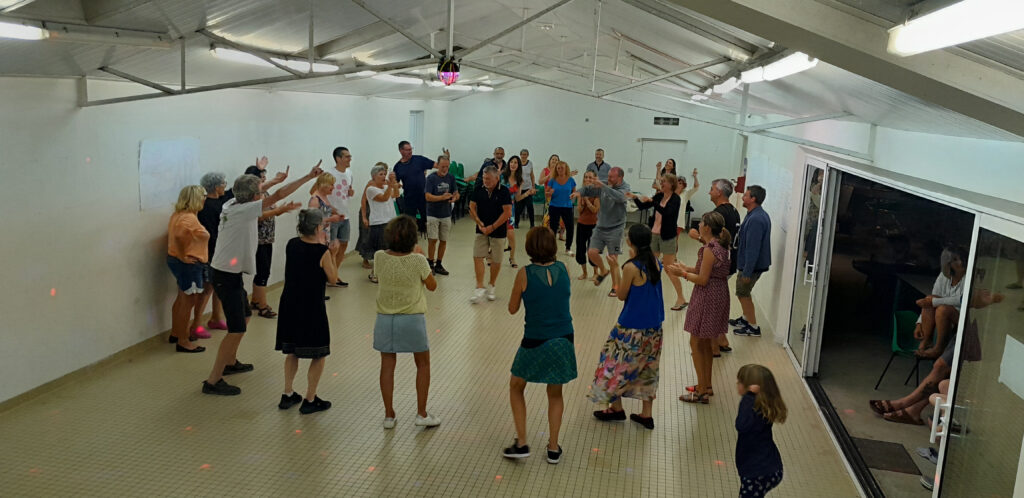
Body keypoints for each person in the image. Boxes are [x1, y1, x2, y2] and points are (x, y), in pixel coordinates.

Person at [201, 161, 320, 396]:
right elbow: (278, 194)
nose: (262, 193)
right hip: (226, 275)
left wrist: (273, 184)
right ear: (254, 196)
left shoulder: (231, 202)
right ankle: (213, 380)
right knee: (236, 329)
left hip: (228, 273)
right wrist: (308, 176)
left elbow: (264, 190)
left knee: (245, 316)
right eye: (259, 192)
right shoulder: (244, 209)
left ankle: (230, 361)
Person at [503, 227, 577, 463]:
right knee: (555, 392)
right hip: (564, 337)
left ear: (529, 248)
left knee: (516, 385)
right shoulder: (564, 268)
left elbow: (512, 309)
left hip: (535, 339)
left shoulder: (524, 274)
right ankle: (553, 448)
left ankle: (522, 443)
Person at [590, 224, 664, 430]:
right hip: (654, 326)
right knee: (648, 367)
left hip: (631, 327)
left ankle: (616, 408)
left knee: (612, 363)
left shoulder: (631, 267)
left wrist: (614, 268)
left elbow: (621, 295)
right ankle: (646, 414)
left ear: (630, 241)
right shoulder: (655, 262)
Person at [373, 215, 440, 429]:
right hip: (412, 318)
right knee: (423, 364)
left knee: (387, 365)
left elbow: (379, 275)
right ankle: (421, 413)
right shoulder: (418, 260)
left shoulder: (379, 256)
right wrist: (421, 257)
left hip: (385, 319)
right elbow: (432, 286)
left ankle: (389, 415)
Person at [274, 209, 337, 414]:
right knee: (319, 353)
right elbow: (333, 279)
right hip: (311, 307)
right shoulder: (322, 252)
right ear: (318, 228)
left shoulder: (292, 244)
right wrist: (333, 254)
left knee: (292, 350)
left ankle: (287, 392)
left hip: (290, 304)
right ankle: (310, 398)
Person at [669, 212, 732, 404]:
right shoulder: (720, 246)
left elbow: (703, 279)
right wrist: (686, 268)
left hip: (707, 297)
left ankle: (702, 391)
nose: (698, 225)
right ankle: (706, 385)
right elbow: (706, 270)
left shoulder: (708, 249)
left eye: (701, 222)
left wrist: (682, 274)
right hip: (718, 293)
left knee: (696, 343)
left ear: (707, 228)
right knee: (705, 343)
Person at [693, 178, 739, 355]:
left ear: (719, 192)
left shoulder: (719, 214)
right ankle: (721, 340)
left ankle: (712, 347)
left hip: (720, 267)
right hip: (730, 262)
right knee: (717, 305)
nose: (709, 192)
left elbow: (713, 243)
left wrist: (697, 237)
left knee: (710, 306)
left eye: (711, 189)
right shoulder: (734, 211)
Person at [629, 173, 686, 310]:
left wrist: (653, 202)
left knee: (669, 268)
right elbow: (643, 206)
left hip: (668, 236)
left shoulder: (675, 199)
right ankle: (648, 294)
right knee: (651, 265)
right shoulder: (660, 196)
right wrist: (635, 198)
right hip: (654, 234)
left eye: (664, 181)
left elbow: (667, 212)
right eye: (662, 181)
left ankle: (681, 298)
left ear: (671, 184)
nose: (662, 183)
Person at [573, 166, 630, 297]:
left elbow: (620, 197)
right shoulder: (604, 183)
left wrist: (603, 187)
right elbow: (588, 189)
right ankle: (603, 270)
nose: (608, 179)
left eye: (611, 177)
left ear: (620, 178)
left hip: (616, 228)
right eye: (608, 176)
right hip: (601, 226)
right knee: (591, 252)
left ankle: (615, 287)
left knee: (612, 258)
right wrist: (579, 193)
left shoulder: (625, 187)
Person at [166, 185, 210, 352]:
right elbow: (178, 236)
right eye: (203, 196)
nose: (205, 199)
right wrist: (183, 255)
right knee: (188, 302)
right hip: (188, 265)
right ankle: (183, 341)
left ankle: (176, 333)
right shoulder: (188, 218)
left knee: (181, 299)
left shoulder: (179, 214)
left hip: (178, 262)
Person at [735, 364, 787, 498]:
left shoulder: (752, 405)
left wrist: (748, 397)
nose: (737, 384)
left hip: (757, 471)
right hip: (769, 466)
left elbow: (741, 425)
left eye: (740, 382)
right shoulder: (763, 406)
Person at [245, 165, 290, 317]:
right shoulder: (252, 196)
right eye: (262, 178)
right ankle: (263, 306)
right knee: (263, 272)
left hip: (267, 238)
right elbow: (258, 216)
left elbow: (274, 209)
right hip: (258, 239)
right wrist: (277, 211)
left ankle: (255, 300)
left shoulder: (265, 193)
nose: (265, 180)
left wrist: (280, 210)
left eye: (265, 177)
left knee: (262, 271)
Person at [469, 165, 513, 304]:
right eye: (484, 178)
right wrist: (479, 222)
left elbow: (507, 212)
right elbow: (471, 207)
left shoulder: (504, 191)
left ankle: (492, 285)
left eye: (488, 179)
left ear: (497, 178)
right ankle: (479, 286)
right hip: (481, 229)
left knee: (496, 259)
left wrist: (492, 227)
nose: (485, 181)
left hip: (498, 230)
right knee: (477, 256)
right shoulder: (478, 189)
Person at [731, 185, 771, 337]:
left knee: (743, 293)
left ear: (753, 199)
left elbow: (752, 248)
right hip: (750, 264)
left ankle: (753, 327)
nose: (742, 197)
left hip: (751, 266)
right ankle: (745, 318)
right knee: (743, 292)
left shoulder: (756, 219)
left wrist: (747, 272)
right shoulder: (755, 214)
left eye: (745, 195)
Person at [914, 246, 967, 358]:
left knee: (942, 309)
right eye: (955, 260)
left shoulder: (969, 277)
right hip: (941, 316)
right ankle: (926, 341)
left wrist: (935, 301)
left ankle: (939, 348)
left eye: (962, 259)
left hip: (964, 318)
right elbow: (929, 301)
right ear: (947, 263)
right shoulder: (943, 276)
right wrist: (919, 323)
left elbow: (962, 300)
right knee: (931, 298)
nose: (961, 262)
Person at [196, 172, 230, 336]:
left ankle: (216, 317)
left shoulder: (220, 201)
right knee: (207, 289)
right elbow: (212, 233)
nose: (225, 186)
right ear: (216, 187)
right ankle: (196, 325)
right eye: (223, 183)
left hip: (220, 251)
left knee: (219, 286)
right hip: (211, 253)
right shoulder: (207, 206)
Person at [362, 163, 401, 283]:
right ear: (374, 176)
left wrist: (394, 185)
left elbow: (396, 195)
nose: (384, 176)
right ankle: (375, 274)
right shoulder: (370, 189)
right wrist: (390, 186)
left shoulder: (385, 187)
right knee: (381, 251)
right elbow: (384, 198)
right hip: (379, 223)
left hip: (390, 221)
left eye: (385, 174)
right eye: (381, 174)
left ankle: (385, 273)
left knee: (391, 249)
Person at [424, 154, 459, 275]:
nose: (445, 169)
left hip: (446, 214)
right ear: (437, 165)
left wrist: (454, 197)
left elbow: (456, 192)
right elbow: (427, 196)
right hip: (433, 214)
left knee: (443, 240)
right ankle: (430, 263)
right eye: (442, 166)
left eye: (447, 167)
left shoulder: (451, 177)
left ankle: (439, 264)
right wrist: (441, 197)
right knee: (433, 240)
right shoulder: (431, 178)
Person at [327, 146, 356, 286]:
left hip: (345, 216)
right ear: (338, 158)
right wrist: (330, 209)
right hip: (332, 217)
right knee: (332, 248)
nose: (350, 159)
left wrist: (351, 193)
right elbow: (316, 192)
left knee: (343, 245)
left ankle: (335, 274)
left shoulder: (349, 173)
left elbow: (348, 190)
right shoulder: (329, 174)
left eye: (350, 156)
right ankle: (329, 276)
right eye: (347, 156)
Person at [393, 141, 435, 233]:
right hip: (409, 198)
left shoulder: (419, 159)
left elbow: (436, 165)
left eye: (411, 149)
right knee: (409, 222)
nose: (410, 151)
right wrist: (394, 184)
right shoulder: (398, 167)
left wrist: (445, 159)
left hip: (423, 196)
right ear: (401, 151)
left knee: (428, 220)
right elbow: (395, 183)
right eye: (407, 150)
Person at [502, 155, 532, 268]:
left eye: (516, 163)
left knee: (511, 235)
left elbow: (517, 198)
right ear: (508, 163)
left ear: (518, 166)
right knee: (495, 234)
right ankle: (490, 255)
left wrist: (527, 193)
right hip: (498, 208)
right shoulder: (502, 176)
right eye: (511, 162)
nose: (513, 164)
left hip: (510, 210)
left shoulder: (520, 181)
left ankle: (512, 257)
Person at [545, 161, 576, 256]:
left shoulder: (571, 180)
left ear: (566, 169)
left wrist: (573, 195)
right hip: (554, 206)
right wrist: (549, 193)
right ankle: (552, 249)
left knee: (570, 227)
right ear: (556, 169)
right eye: (558, 168)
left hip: (567, 207)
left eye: (562, 168)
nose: (560, 169)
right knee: (553, 228)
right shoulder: (552, 180)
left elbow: (574, 192)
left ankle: (568, 248)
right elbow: (546, 194)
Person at [575, 171, 600, 280]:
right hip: (581, 224)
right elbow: (579, 210)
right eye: (586, 177)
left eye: (590, 177)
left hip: (593, 226)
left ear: (594, 179)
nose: (587, 179)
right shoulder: (581, 192)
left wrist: (587, 200)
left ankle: (595, 272)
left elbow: (595, 210)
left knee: (592, 250)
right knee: (580, 250)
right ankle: (584, 273)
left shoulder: (597, 193)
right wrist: (581, 200)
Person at [515, 148, 537, 228]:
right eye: (522, 154)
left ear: (527, 155)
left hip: (528, 188)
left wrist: (533, 186)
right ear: (520, 155)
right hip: (519, 189)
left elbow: (532, 175)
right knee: (518, 208)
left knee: (530, 206)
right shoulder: (517, 163)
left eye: (525, 154)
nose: (524, 156)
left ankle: (532, 224)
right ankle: (516, 223)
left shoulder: (530, 163)